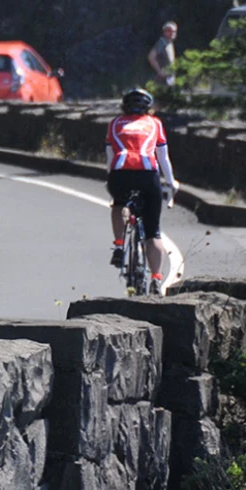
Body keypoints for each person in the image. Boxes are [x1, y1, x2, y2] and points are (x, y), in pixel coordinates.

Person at [106, 88, 179, 294]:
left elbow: (109, 156)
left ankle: (120, 246)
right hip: (147, 175)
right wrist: (171, 182)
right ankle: (156, 279)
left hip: (120, 173)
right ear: (148, 108)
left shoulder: (114, 124)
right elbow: (163, 157)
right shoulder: (155, 124)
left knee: (118, 205)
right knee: (153, 231)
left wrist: (111, 179)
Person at [147, 21, 178, 86]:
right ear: (164, 32)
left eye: (174, 31)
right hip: (163, 79)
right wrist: (160, 71)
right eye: (169, 31)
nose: (172, 33)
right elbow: (151, 56)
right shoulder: (162, 43)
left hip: (170, 78)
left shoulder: (169, 43)